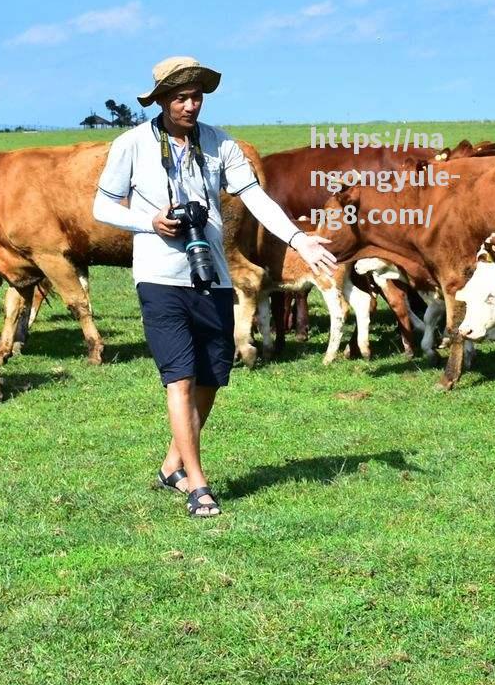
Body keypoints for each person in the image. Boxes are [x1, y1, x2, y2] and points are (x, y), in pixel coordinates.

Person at [92, 55, 338, 518]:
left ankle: (172, 464)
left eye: (197, 96)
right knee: (179, 377)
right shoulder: (132, 144)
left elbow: (255, 198)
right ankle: (197, 484)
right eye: (181, 97)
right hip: (159, 276)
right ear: (162, 100)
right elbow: (103, 207)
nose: (190, 105)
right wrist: (149, 222)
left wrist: (299, 239)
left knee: (212, 376)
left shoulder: (219, 144)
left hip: (211, 275)